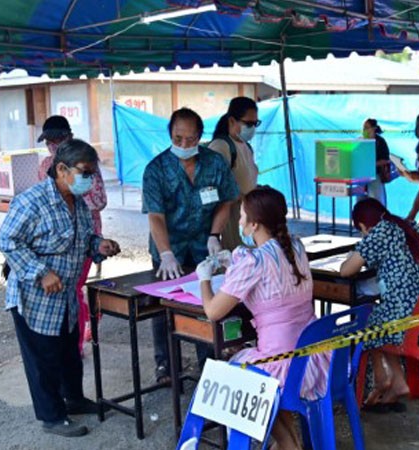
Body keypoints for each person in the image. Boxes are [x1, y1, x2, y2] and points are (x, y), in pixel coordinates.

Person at [0, 139, 121, 437]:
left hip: (65, 296)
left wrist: (98, 245)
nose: (90, 180)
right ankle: (52, 416)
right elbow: (7, 241)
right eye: (85, 172)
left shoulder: (77, 202)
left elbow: (84, 239)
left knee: (68, 352)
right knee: (44, 359)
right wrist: (41, 272)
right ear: (62, 169)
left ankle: (74, 399)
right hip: (35, 298)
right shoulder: (32, 201)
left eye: (92, 173)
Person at [196, 186, 327, 450]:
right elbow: (272, 277)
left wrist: (204, 279)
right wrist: (231, 265)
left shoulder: (253, 261)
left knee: (242, 376)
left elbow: (212, 311)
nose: (240, 220)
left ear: (254, 224)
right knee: (268, 378)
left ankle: (288, 443)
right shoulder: (297, 247)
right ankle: (288, 442)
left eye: (242, 216)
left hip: (283, 364)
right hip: (314, 360)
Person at [142, 107, 239, 383]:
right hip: (168, 248)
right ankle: (166, 366)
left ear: (200, 136)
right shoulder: (156, 169)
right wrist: (166, 253)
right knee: (163, 307)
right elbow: (156, 216)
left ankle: (208, 362)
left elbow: (227, 200)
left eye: (191, 139)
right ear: (170, 135)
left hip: (202, 245)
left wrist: (214, 235)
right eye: (178, 138)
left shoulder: (215, 163)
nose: (184, 145)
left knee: (205, 301)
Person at [340, 198, 419, 410]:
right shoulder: (409, 225)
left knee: (367, 322)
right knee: (382, 316)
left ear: (362, 226)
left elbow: (346, 270)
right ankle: (397, 381)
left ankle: (382, 378)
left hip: (406, 325)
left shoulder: (379, 233)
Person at [37, 115, 107, 353]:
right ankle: (81, 324)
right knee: (64, 292)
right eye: (48, 141)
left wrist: (75, 188)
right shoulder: (45, 166)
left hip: (86, 240)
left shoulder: (86, 165)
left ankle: (75, 346)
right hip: (54, 243)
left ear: (69, 137)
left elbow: (99, 201)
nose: (53, 146)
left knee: (74, 290)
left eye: (58, 140)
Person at [208, 97, 261, 250]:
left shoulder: (246, 146)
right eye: (248, 123)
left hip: (250, 215)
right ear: (232, 121)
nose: (252, 128)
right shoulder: (220, 147)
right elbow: (214, 188)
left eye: (255, 123)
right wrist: (243, 197)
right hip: (230, 218)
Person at [362, 118, 391, 205]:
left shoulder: (380, 142)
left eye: (367, 127)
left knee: (376, 202)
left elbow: (386, 160)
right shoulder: (360, 141)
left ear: (374, 128)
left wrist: (373, 164)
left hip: (376, 175)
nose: (364, 130)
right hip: (362, 177)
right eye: (363, 128)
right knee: (360, 203)